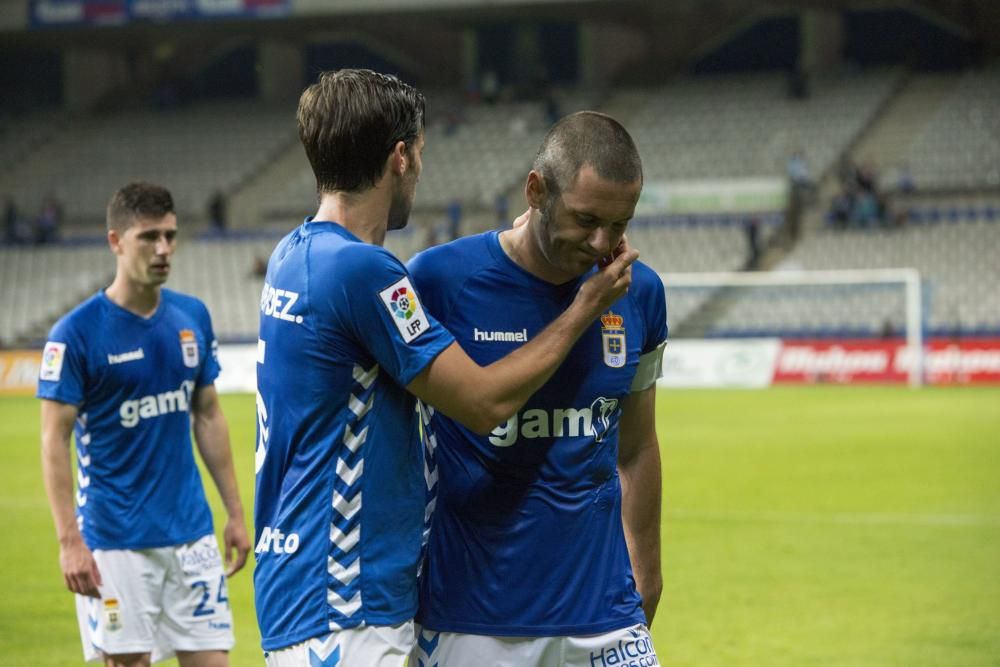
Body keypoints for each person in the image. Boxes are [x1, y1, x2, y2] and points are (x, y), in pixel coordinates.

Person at [253, 70, 636, 666]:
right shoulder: (368, 274)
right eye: (423, 152)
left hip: (304, 584)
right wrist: (584, 306)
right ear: (400, 157)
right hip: (344, 593)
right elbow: (482, 403)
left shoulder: (293, 255)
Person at [409, 111, 667, 666]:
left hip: (606, 616)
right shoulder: (439, 281)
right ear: (535, 190)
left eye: (619, 224)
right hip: (472, 618)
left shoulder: (641, 293)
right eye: (585, 219)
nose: (602, 242)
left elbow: (638, 445)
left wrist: (647, 570)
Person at [38, 182, 250, 667]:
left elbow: (209, 413)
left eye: (170, 236)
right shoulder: (75, 334)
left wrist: (235, 514)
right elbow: (54, 440)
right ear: (115, 241)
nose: (163, 249)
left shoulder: (192, 317)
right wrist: (70, 541)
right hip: (116, 543)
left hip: (192, 535)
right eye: (148, 237)